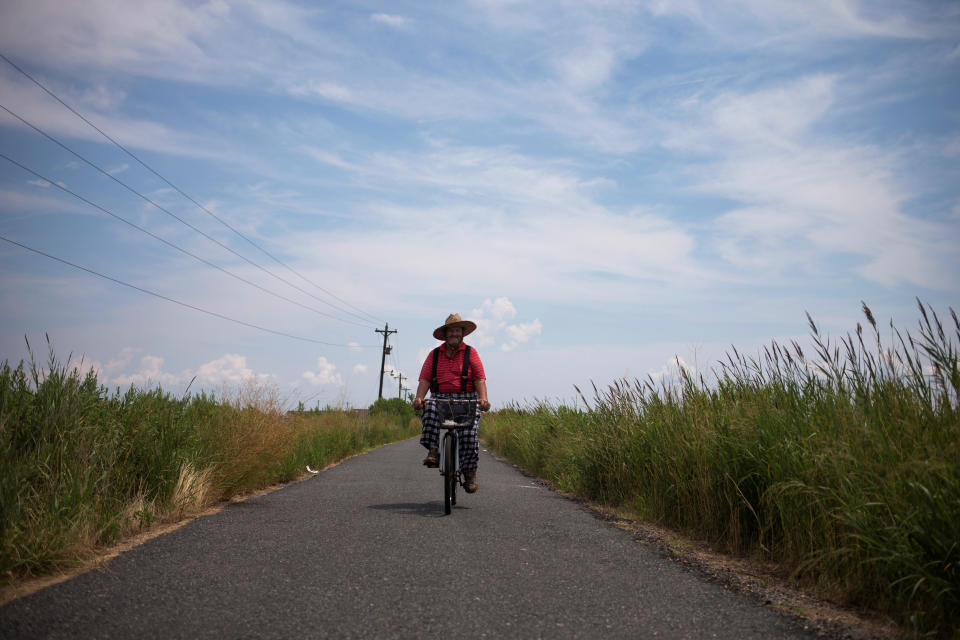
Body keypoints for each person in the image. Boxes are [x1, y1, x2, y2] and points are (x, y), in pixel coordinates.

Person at [412, 313, 490, 493]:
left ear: (462, 333)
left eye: (457, 330)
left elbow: (479, 379)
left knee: (469, 437)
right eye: (451, 331)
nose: (454, 334)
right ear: (446, 334)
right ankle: (433, 450)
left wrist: (483, 399)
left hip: (467, 399)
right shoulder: (434, 355)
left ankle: (469, 473)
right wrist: (419, 398)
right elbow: (424, 379)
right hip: (439, 398)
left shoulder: (471, 353)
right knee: (429, 408)